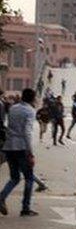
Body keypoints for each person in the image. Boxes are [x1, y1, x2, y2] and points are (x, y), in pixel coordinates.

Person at [0, 88, 38, 217]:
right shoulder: (30, 111)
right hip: (21, 148)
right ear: (32, 98)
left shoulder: (13, 108)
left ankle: (1, 198)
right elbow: (27, 132)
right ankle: (25, 208)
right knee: (29, 178)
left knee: (14, 178)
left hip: (9, 146)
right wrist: (31, 152)